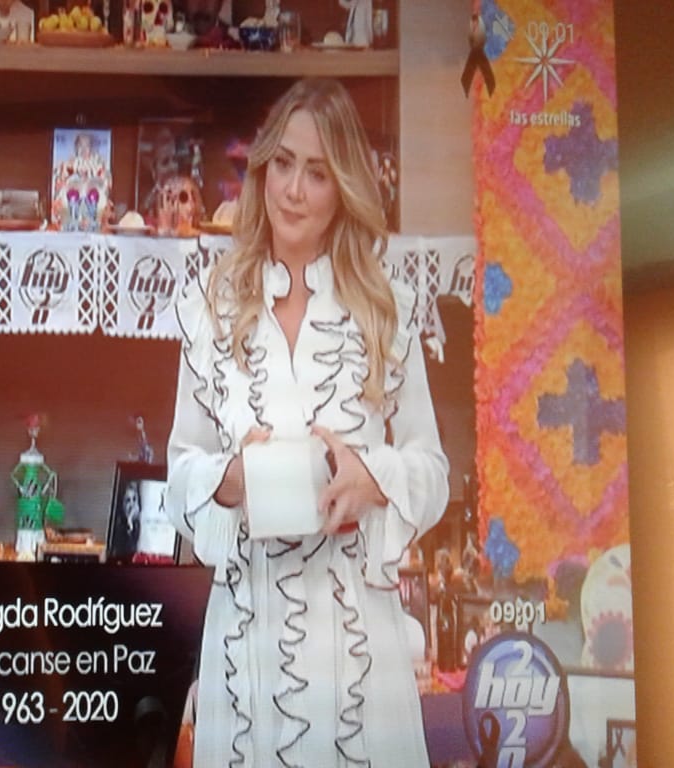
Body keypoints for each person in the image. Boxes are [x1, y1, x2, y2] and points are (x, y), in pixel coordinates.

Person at [165, 78, 448, 766]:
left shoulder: (386, 308)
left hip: (358, 650)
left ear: (343, 188)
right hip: (247, 642)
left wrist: (373, 477)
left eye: (317, 173)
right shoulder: (211, 306)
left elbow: (433, 472)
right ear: (262, 170)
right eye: (283, 165)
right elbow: (178, 473)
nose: (293, 190)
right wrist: (229, 479)